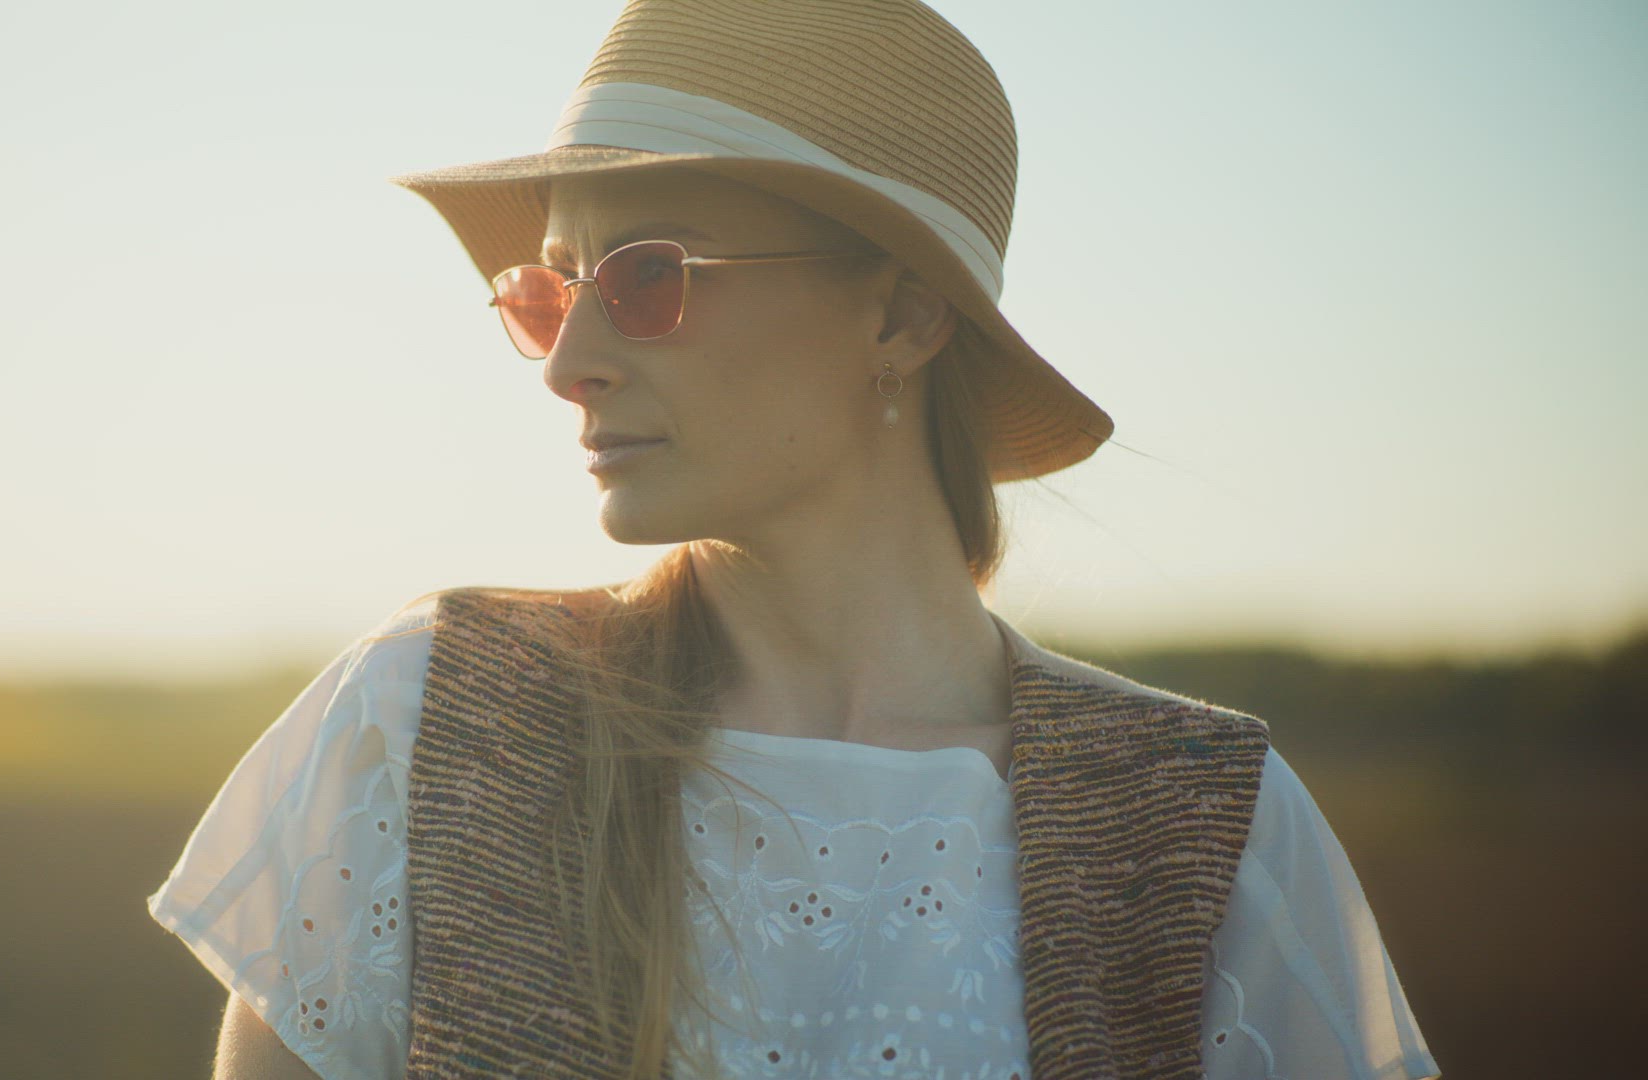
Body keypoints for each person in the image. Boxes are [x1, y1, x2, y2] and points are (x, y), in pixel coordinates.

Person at [146, 2, 1441, 1077]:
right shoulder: (428, 718)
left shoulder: (1205, 830)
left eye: (646, 276)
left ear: (903, 316)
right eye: (545, 291)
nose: (566, 363)